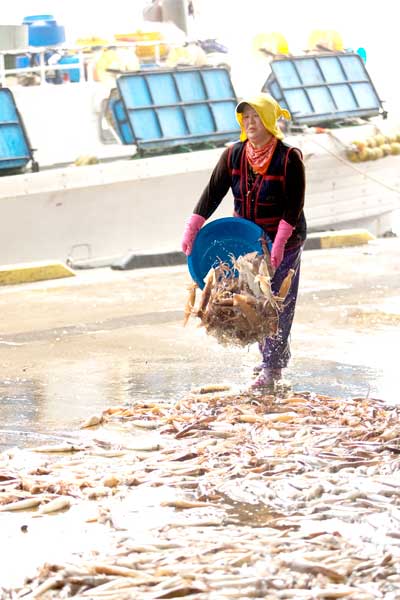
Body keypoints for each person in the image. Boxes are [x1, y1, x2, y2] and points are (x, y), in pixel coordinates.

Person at [181, 93, 306, 389]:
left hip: (284, 238)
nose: (250, 123)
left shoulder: (289, 158)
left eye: (256, 117)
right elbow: (213, 192)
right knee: (252, 297)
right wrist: (193, 225)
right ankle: (274, 355)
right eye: (245, 118)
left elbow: (294, 204)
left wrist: (278, 243)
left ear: (269, 121)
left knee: (274, 300)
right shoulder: (234, 154)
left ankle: (272, 367)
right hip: (248, 238)